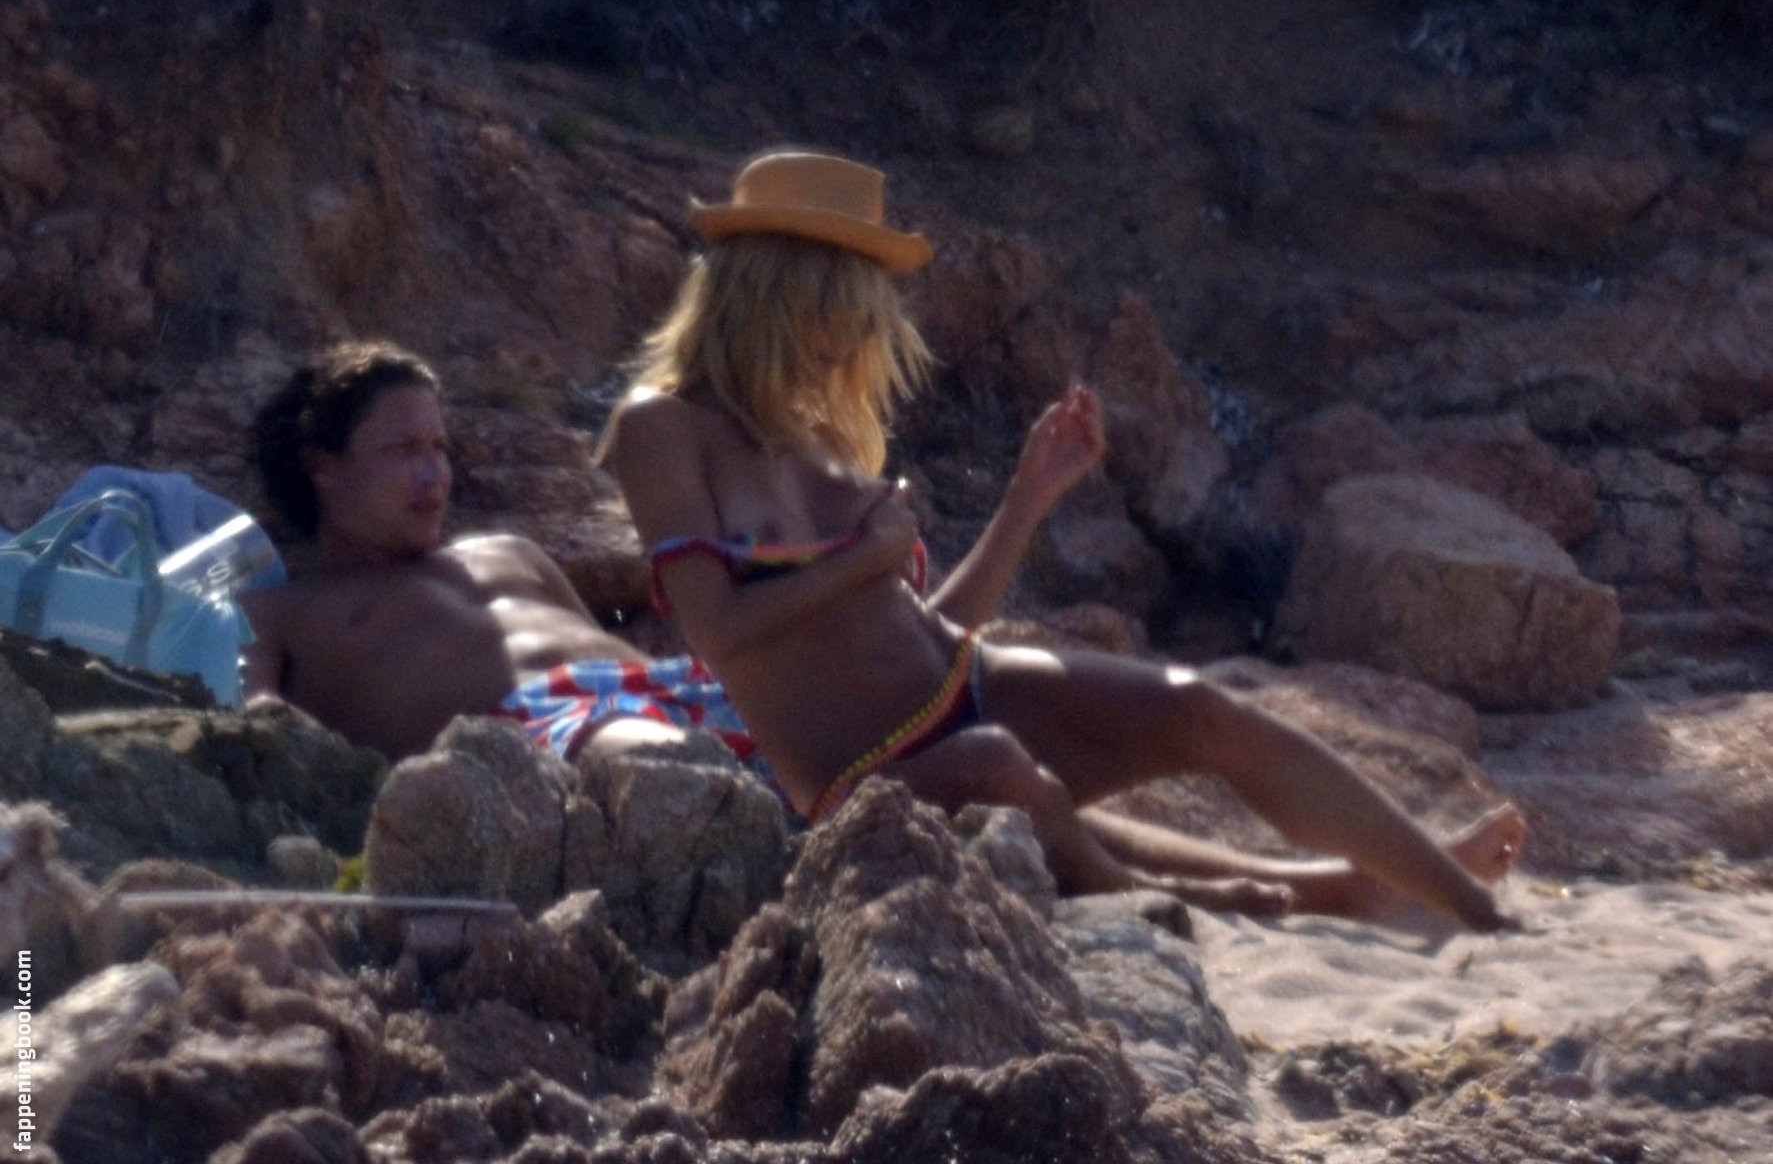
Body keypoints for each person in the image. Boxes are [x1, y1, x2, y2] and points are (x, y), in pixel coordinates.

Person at [601, 149, 1527, 929]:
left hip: (963, 685)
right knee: (1004, 771)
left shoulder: (814, 431)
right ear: (767, 292)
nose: (847, 342)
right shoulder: (662, 429)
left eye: (860, 316)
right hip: (863, 776)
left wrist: (1027, 495)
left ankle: (1471, 908)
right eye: (834, 311)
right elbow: (717, 633)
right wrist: (862, 562)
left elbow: (920, 624)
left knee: (1205, 707)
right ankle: (1196, 901)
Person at [241, 341, 746, 767]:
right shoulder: (277, 613)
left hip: (674, 687)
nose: (434, 475)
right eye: (405, 450)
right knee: (691, 771)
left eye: (438, 448)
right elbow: (255, 715)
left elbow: (603, 644)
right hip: (538, 731)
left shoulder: (512, 552)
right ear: (322, 468)